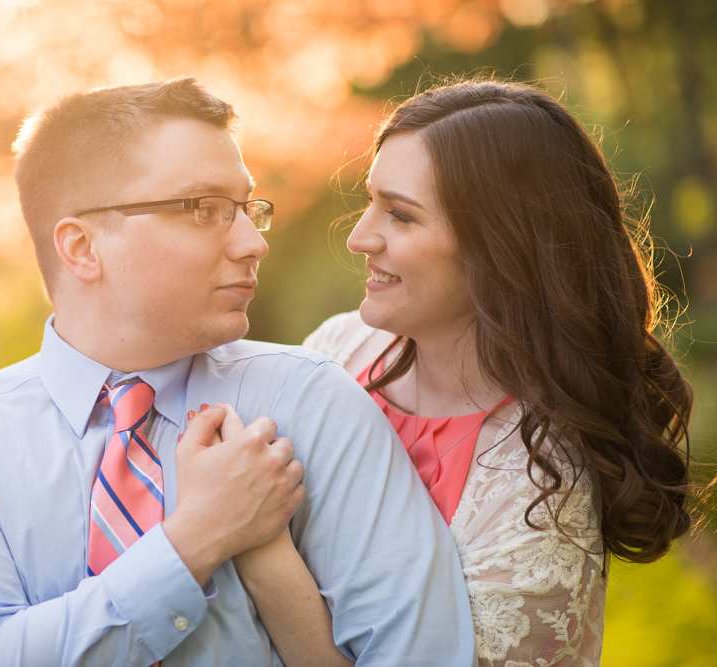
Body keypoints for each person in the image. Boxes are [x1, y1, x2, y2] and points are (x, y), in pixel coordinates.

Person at [0, 78, 477, 667]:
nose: (252, 242)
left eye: (246, 209)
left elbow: (419, 653)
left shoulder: (311, 399)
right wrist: (197, 539)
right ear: (82, 247)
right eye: (204, 209)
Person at [230, 79, 694, 667]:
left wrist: (259, 548)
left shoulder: (541, 490)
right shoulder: (343, 349)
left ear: (499, 247)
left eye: (400, 215)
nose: (358, 236)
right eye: (370, 200)